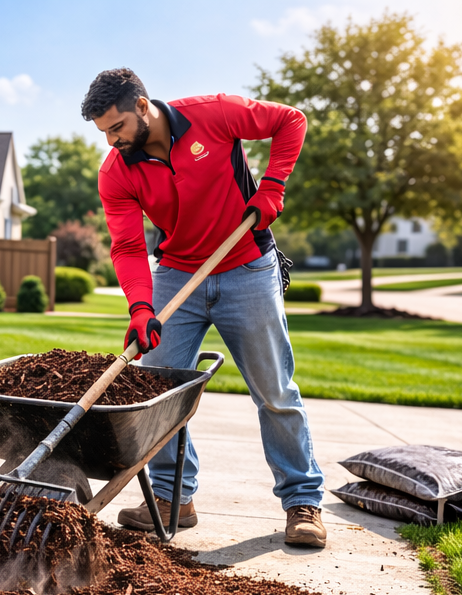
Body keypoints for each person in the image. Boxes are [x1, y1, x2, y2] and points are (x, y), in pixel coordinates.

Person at [83, 67, 327, 548]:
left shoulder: (212, 115)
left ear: (142, 106)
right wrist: (140, 307)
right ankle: (174, 498)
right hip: (177, 274)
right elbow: (128, 247)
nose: (111, 141)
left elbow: (290, 120)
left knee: (274, 391)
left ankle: (303, 502)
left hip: (247, 266)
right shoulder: (116, 172)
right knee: (158, 394)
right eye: (104, 132)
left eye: (117, 127)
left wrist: (272, 187)